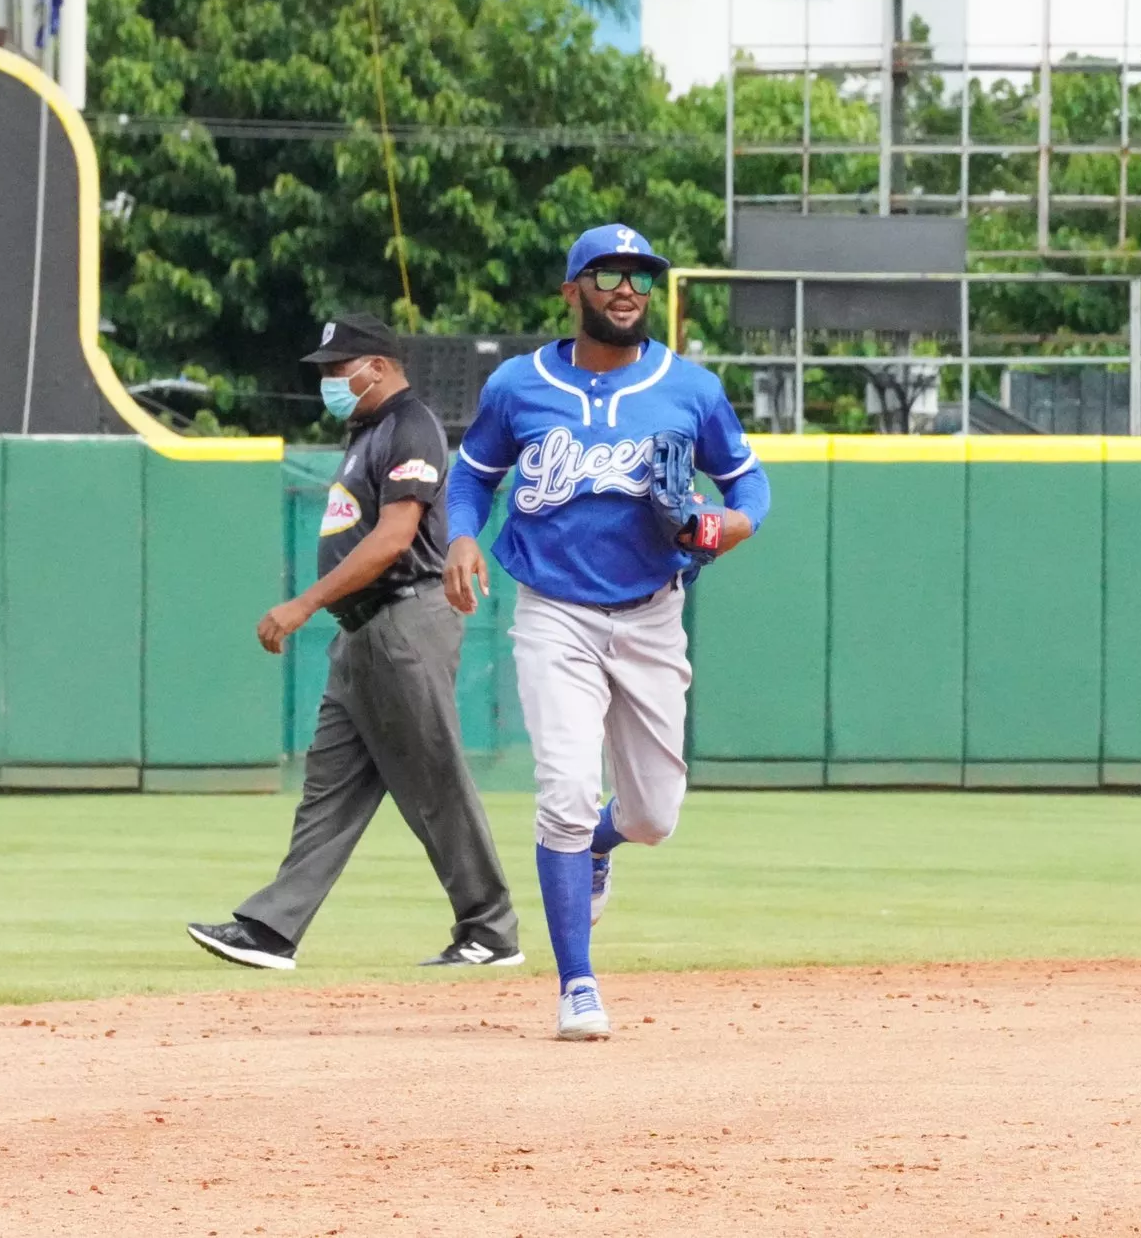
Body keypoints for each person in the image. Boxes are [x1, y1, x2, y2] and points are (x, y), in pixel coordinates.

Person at [443, 224, 771, 1040]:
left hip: (654, 612)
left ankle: (599, 845)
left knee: (655, 815)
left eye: (640, 275)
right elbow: (471, 478)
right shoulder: (518, 386)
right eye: (608, 273)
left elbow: (748, 482)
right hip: (553, 611)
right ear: (572, 291)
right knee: (563, 789)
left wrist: (732, 523)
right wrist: (457, 536)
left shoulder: (688, 388)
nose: (627, 288)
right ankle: (577, 985)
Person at [187, 312, 522, 972]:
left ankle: (490, 929)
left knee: (435, 780)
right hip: (362, 633)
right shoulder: (366, 434)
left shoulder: (408, 423)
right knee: (329, 789)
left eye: (340, 369)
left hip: (405, 621)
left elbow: (395, 537)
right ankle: (271, 930)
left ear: (379, 365)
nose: (331, 381)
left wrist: (303, 604)